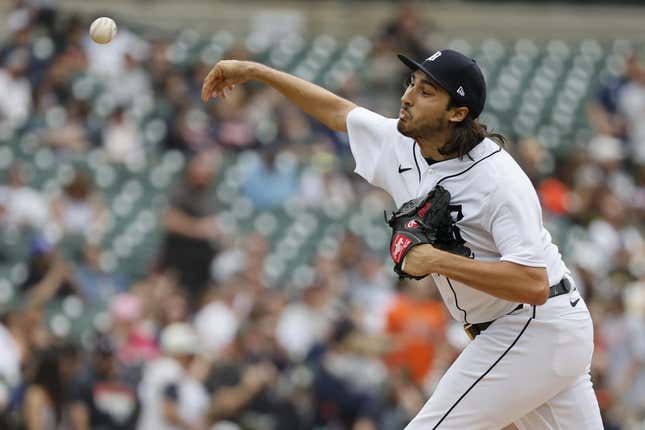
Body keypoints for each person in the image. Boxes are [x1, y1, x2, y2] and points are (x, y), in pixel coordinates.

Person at [201, 48, 603, 429]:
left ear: (457, 113)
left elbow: (533, 284)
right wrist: (259, 72)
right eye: (411, 82)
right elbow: (340, 112)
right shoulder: (402, 143)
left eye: (426, 91)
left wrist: (436, 260)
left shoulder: (498, 181)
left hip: (533, 323)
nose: (408, 96)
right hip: (541, 330)